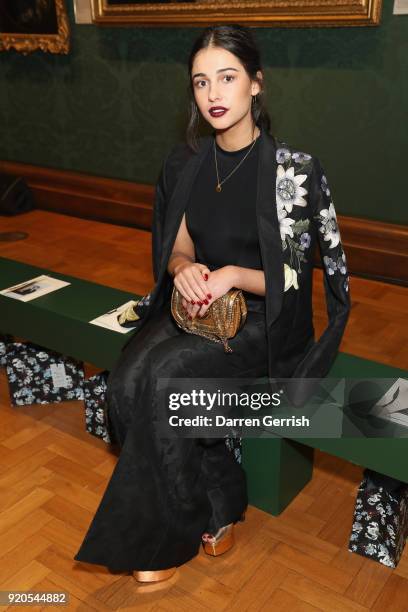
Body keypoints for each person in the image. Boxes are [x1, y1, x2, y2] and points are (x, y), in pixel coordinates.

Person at [74, 23, 351, 583]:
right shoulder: (184, 163)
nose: (214, 94)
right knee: (124, 387)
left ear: (256, 84)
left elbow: (293, 281)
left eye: (228, 77)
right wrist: (183, 269)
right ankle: (219, 484)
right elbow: (175, 239)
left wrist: (229, 275)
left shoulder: (292, 172)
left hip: (262, 322)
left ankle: (167, 538)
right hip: (197, 308)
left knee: (169, 379)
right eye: (201, 82)